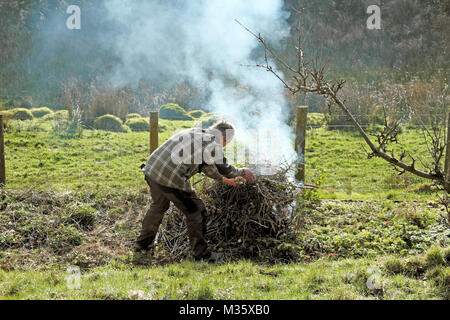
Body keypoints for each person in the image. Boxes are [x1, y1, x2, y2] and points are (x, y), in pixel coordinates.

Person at [135, 120, 255, 263]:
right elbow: (225, 168)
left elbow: (205, 166)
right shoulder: (213, 142)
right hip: (171, 177)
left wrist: (223, 180)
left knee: (158, 207)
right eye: (227, 142)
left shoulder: (194, 132)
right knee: (197, 211)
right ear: (224, 138)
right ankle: (201, 255)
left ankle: (142, 245)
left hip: (152, 169)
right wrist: (242, 172)